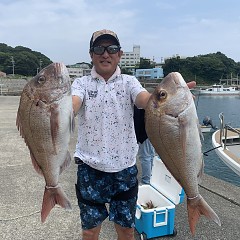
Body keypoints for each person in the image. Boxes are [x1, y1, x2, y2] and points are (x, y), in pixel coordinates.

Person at [71, 29, 196, 240]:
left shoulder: (129, 82)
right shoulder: (81, 84)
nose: (105, 54)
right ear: (91, 54)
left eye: (111, 49)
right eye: (99, 49)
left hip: (125, 170)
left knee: (127, 231)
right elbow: (73, 105)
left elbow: (144, 99)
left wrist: (169, 99)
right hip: (90, 169)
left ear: (119, 54)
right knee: (90, 231)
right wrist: (60, 109)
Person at [134, 106, 155, 185]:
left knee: (145, 157)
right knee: (150, 155)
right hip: (149, 131)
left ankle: (146, 181)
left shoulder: (143, 98)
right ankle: (150, 178)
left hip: (144, 132)